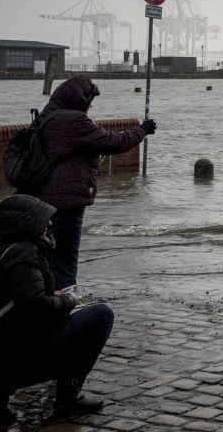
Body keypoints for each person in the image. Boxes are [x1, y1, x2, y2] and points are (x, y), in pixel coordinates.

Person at [0, 195, 115, 425]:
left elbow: (21, 301)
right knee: (101, 315)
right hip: (8, 356)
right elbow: (37, 309)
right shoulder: (25, 256)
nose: (49, 225)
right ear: (27, 224)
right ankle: (68, 399)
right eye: (43, 220)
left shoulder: (5, 252)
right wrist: (69, 300)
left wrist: (50, 296)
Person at [34, 75, 155, 290]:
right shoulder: (74, 121)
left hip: (40, 199)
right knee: (65, 259)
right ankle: (65, 308)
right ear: (79, 100)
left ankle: (45, 298)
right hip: (66, 201)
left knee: (46, 254)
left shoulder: (46, 117)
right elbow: (112, 142)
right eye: (89, 102)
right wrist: (142, 130)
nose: (90, 107)